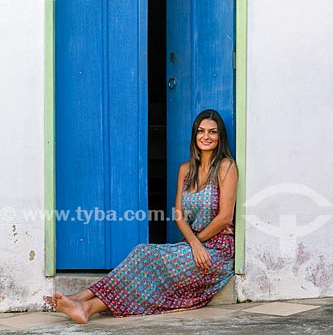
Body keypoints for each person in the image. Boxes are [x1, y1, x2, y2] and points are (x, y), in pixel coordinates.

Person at [43, 109, 238, 324]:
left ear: (220, 137)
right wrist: (193, 243)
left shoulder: (226, 166)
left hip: (216, 253)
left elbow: (225, 217)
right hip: (192, 246)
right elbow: (179, 214)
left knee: (147, 260)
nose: (206, 136)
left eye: (213, 132)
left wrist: (197, 244)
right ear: (194, 135)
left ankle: (84, 302)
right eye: (201, 131)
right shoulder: (185, 169)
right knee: (142, 253)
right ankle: (83, 303)